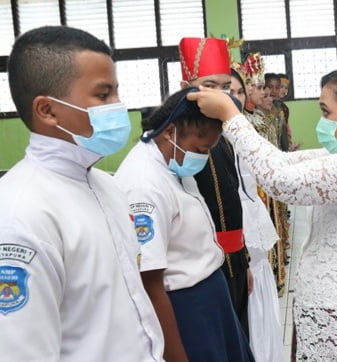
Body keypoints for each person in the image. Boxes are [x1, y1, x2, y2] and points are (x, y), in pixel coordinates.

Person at [189, 61, 337, 360]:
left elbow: (282, 181)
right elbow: (280, 162)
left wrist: (231, 115)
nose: (323, 121)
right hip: (331, 313)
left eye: (326, 112)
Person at [0, 26, 164, 361]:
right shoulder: (22, 216)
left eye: (116, 92)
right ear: (47, 110)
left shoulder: (107, 186)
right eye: (103, 96)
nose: (118, 106)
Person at [114, 88, 253, 362]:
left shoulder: (173, 162)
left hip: (210, 294)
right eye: (201, 149)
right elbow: (150, 283)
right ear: (170, 131)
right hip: (184, 308)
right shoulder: (143, 184)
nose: (203, 157)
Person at [178, 36, 252, 337]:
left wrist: (244, 259)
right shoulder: (177, 140)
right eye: (210, 86)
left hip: (234, 261)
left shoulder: (223, 135)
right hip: (203, 271)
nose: (221, 96)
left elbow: (234, 201)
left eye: (225, 88)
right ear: (187, 87)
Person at [230, 69, 284, 362]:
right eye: (225, 90)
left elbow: (276, 167)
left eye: (237, 91)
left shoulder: (246, 130)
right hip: (236, 244)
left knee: (262, 309)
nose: (233, 98)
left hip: (256, 235)